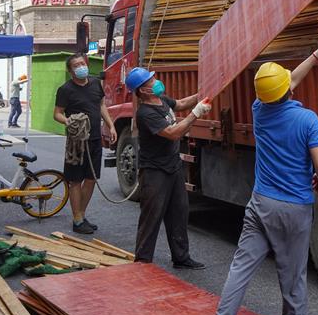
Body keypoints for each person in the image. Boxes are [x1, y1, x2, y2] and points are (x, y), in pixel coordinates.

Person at [196, 36, 318, 315]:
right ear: (288, 91)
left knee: (240, 269)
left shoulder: (259, 110)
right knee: (292, 277)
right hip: (294, 209)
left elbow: (288, 82)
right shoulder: (307, 119)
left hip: (260, 203)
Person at [125, 68, 211, 268]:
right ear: (143, 91)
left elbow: (180, 104)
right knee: (151, 217)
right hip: (155, 172)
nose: (156, 81)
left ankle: (181, 257)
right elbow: (173, 133)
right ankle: (143, 261)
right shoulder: (145, 113)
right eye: (150, 80)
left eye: (153, 77)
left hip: (173, 167)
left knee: (179, 212)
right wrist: (196, 114)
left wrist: (202, 94)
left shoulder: (161, 100)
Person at [53, 53, 117, 234]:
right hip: (77, 143)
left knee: (91, 178)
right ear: (70, 70)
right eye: (76, 65)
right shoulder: (65, 89)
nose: (81, 67)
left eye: (82, 63)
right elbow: (57, 113)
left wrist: (111, 126)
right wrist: (68, 121)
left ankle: (80, 215)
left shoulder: (96, 83)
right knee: (75, 180)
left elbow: (101, 105)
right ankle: (78, 219)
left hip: (95, 139)